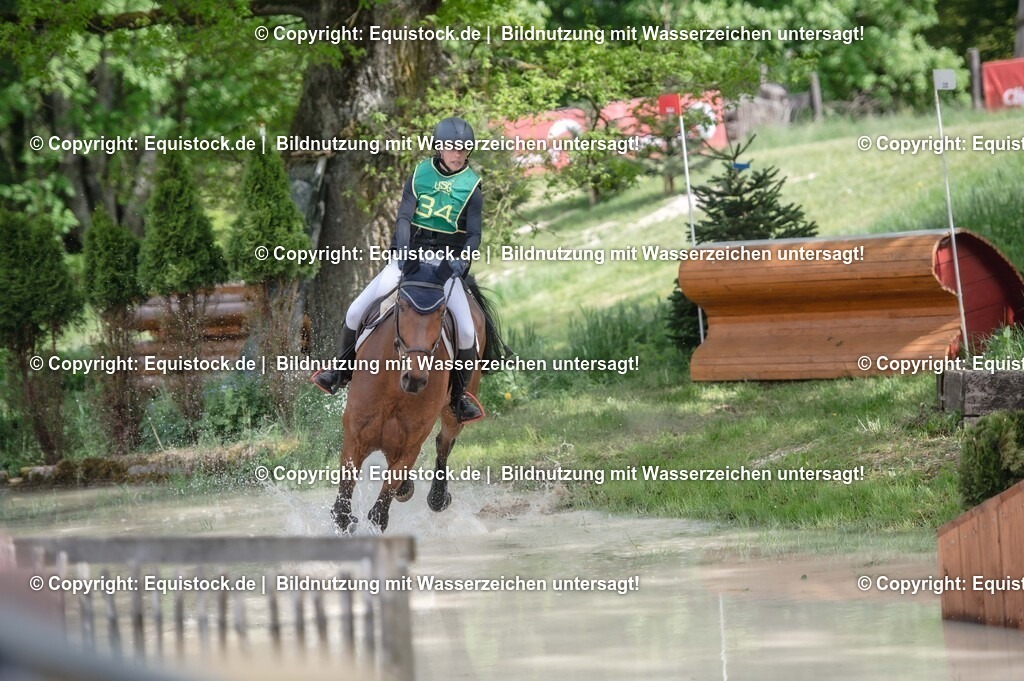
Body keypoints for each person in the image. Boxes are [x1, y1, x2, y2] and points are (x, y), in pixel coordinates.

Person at [312, 116, 484, 423]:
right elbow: (404, 217)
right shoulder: (419, 174)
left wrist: (460, 263)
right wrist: (403, 252)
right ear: (439, 148)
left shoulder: (472, 185)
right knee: (355, 311)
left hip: (445, 265)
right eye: (452, 148)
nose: (458, 154)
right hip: (410, 257)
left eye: (463, 149)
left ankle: (457, 399)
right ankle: (339, 371)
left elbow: (473, 235)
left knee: (468, 331)